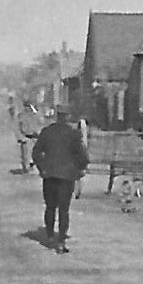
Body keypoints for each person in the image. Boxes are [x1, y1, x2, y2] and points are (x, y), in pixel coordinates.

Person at [32, 103, 90, 253]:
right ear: (68, 116)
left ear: (57, 115)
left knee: (50, 207)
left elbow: (36, 153)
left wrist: (42, 168)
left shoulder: (47, 131)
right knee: (64, 210)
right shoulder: (73, 134)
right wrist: (80, 169)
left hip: (49, 175)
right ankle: (61, 240)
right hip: (67, 177)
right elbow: (82, 155)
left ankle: (50, 237)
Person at [15, 100, 44, 173]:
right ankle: (26, 168)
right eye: (26, 106)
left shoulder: (36, 115)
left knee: (36, 153)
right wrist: (20, 138)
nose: (27, 108)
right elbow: (17, 127)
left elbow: (41, 124)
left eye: (29, 106)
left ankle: (34, 166)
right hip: (26, 137)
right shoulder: (21, 116)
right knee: (25, 155)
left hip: (35, 137)